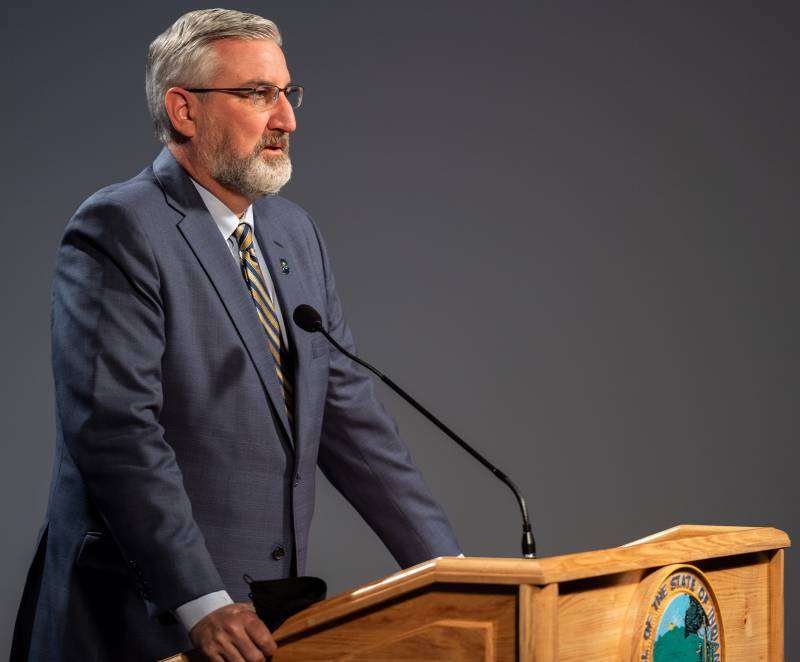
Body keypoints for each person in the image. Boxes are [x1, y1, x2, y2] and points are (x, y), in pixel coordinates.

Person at [11, 9, 461, 661]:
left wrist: (450, 574)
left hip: (264, 625)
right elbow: (115, 432)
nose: (287, 119)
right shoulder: (119, 228)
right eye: (257, 94)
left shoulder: (293, 233)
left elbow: (349, 418)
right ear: (184, 110)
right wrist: (201, 599)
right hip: (140, 622)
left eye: (287, 92)